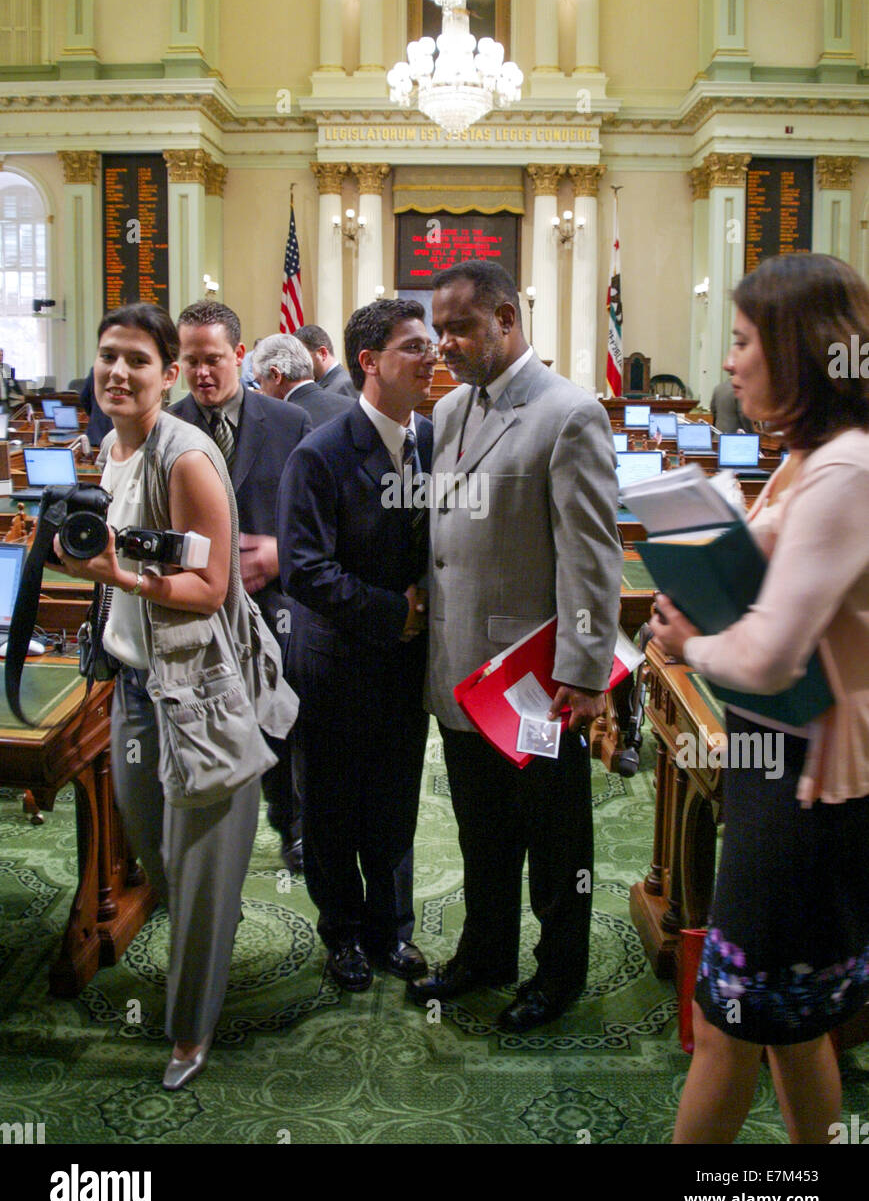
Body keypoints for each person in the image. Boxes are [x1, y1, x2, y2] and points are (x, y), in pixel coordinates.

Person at [649, 252, 869, 1144]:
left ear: (795, 346)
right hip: (776, 760)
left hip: (805, 786)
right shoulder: (811, 456)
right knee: (790, 1023)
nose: (731, 361)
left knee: (724, 1025)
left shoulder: (845, 466)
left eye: (743, 341)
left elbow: (774, 650)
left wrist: (684, 642)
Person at [54, 302, 293, 1090]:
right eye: (107, 356)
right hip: (132, 688)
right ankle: (196, 976)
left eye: (137, 361)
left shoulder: (184, 456)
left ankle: (189, 1033)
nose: (117, 372)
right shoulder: (112, 451)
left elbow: (210, 584)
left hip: (196, 693)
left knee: (200, 875)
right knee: (154, 857)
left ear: (166, 376)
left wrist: (115, 573)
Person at [408, 259, 622, 1032]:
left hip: (536, 682)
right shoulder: (457, 408)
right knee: (481, 833)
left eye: (460, 327)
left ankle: (558, 975)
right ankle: (485, 953)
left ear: (506, 319)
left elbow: (589, 559)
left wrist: (585, 672)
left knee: (556, 841)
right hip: (462, 671)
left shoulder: (567, 413)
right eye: (438, 330)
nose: (445, 345)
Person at [276, 299, 435, 990]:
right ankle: (340, 933)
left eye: (429, 344)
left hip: (407, 665)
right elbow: (303, 569)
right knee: (335, 807)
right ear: (368, 362)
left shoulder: (433, 441)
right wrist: (389, 613)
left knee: (396, 801)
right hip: (338, 662)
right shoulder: (321, 451)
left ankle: (389, 932)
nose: (430, 356)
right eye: (412, 347)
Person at [171, 301, 311, 868]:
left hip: (272, 602)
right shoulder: (169, 427)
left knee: (280, 722)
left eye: (213, 360)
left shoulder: (288, 422)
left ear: (239, 355)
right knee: (205, 721)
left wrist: (283, 555)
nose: (202, 373)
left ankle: (291, 822)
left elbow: (315, 518)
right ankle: (213, 841)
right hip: (194, 606)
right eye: (190, 362)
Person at [250, 332, 354, 427]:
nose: (261, 392)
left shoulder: (280, 422)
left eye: (260, 382)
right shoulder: (354, 407)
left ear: (276, 375)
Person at [295, 324, 357, 398]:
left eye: (301, 355)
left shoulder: (346, 385)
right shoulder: (315, 383)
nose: (297, 362)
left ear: (322, 353)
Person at [78, 366, 113, 446]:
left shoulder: (97, 369)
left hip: (96, 434)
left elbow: (84, 398)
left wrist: (95, 414)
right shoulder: (136, 369)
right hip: (123, 441)